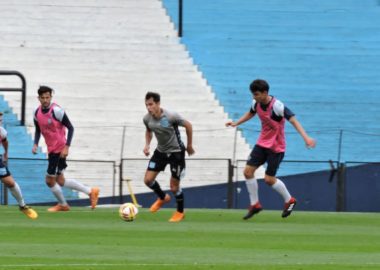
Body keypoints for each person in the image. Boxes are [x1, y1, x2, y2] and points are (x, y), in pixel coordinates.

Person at [226, 79, 316, 219]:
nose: (253, 97)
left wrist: (306, 138)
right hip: (262, 144)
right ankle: (255, 205)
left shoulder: (277, 106)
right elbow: (251, 112)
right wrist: (236, 122)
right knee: (248, 172)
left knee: (269, 179)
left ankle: (290, 200)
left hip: (276, 147)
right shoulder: (256, 103)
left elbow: (293, 120)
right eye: (253, 94)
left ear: (265, 93)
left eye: (256, 94)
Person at [32, 85, 99, 212]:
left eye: (48, 97)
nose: (46, 100)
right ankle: (91, 191)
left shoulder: (57, 111)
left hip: (60, 150)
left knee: (49, 180)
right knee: (60, 180)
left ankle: (63, 204)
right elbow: (37, 130)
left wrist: (66, 147)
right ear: (38, 98)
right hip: (52, 150)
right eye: (43, 98)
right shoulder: (36, 113)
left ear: (51, 97)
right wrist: (35, 143)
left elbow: (71, 127)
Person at [143, 91, 195, 222]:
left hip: (176, 152)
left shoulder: (171, 116)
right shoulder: (146, 118)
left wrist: (189, 145)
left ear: (158, 103)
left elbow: (188, 125)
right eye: (146, 105)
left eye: (151, 104)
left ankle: (180, 212)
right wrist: (147, 145)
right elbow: (149, 131)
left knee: (174, 187)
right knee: (148, 180)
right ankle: (162, 197)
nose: (149, 108)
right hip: (160, 152)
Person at [0, 112, 38, 219]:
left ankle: (22, 206)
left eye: (1, 120)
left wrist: (6, 152)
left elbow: (5, 141)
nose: (0, 122)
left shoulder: (2, 131)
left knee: (11, 183)